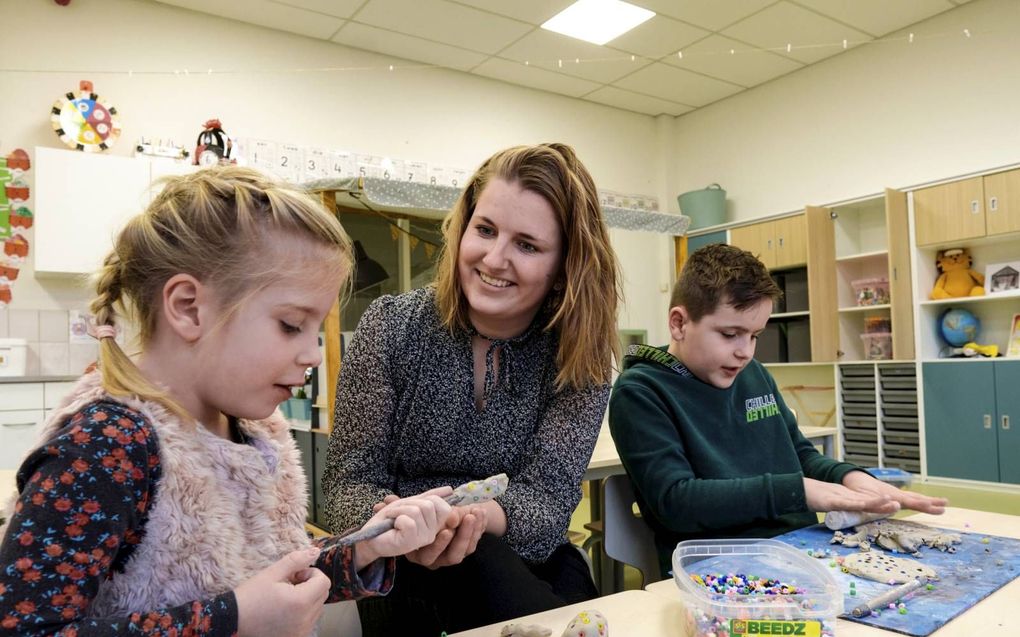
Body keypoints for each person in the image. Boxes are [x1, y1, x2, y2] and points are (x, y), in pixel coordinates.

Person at [0, 167, 453, 637]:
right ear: (189, 308)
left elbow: (272, 575)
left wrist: (367, 546)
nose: (314, 353)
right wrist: (232, 620)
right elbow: (24, 628)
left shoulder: (257, 432)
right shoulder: (105, 444)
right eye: (291, 324)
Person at [322, 143, 621, 635]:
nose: (494, 258)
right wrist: (408, 522)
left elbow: (546, 504)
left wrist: (475, 520)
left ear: (566, 265)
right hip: (404, 566)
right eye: (484, 230)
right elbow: (344, 488)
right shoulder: (391, 329)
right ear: (463, 228)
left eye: (527, 245)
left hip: (527, 555)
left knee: (572, 601)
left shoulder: (579, 356)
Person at [608, 243, 948, 578]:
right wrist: (798, 491)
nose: (745, 352)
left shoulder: (751, 373)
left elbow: (799, 456)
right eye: (730, 334)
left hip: (801, 548)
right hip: (720, 567)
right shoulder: (641, 392)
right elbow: (676, 502)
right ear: (680, 323)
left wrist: (851, 478)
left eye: (754, 335)